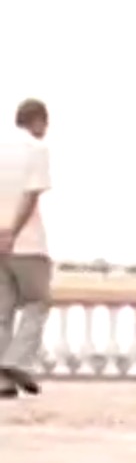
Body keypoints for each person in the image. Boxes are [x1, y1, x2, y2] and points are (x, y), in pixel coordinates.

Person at [0, 99, 52, 398]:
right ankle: (15, 361)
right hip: (27, 244)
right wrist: (11, 232)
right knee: (38, 301)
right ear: (39, 121)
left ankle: (2, 381)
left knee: (2, 312)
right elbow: (31, 195)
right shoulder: (36, 149)